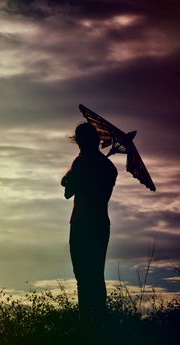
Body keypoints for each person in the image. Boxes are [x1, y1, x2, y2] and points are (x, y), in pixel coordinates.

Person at [61, 122, 117, 325]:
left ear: (81, 142)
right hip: (101, 223)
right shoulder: (109, 167)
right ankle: (100, 322)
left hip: (81, 223)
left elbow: (68, 192)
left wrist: (68, 177)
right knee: (97, 274)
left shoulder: (81, 162)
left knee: (83, 277)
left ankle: (85, 325)